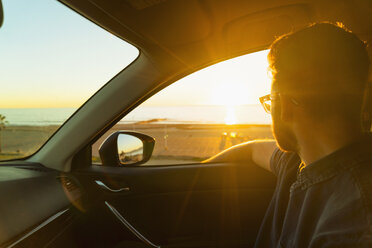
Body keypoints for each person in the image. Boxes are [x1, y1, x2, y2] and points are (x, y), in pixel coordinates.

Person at [205, 23, 372, 247]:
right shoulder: (297, 161)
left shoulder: (353, 229)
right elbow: (252, 149)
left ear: (284, 104)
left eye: (270, 101)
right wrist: (205, 167)